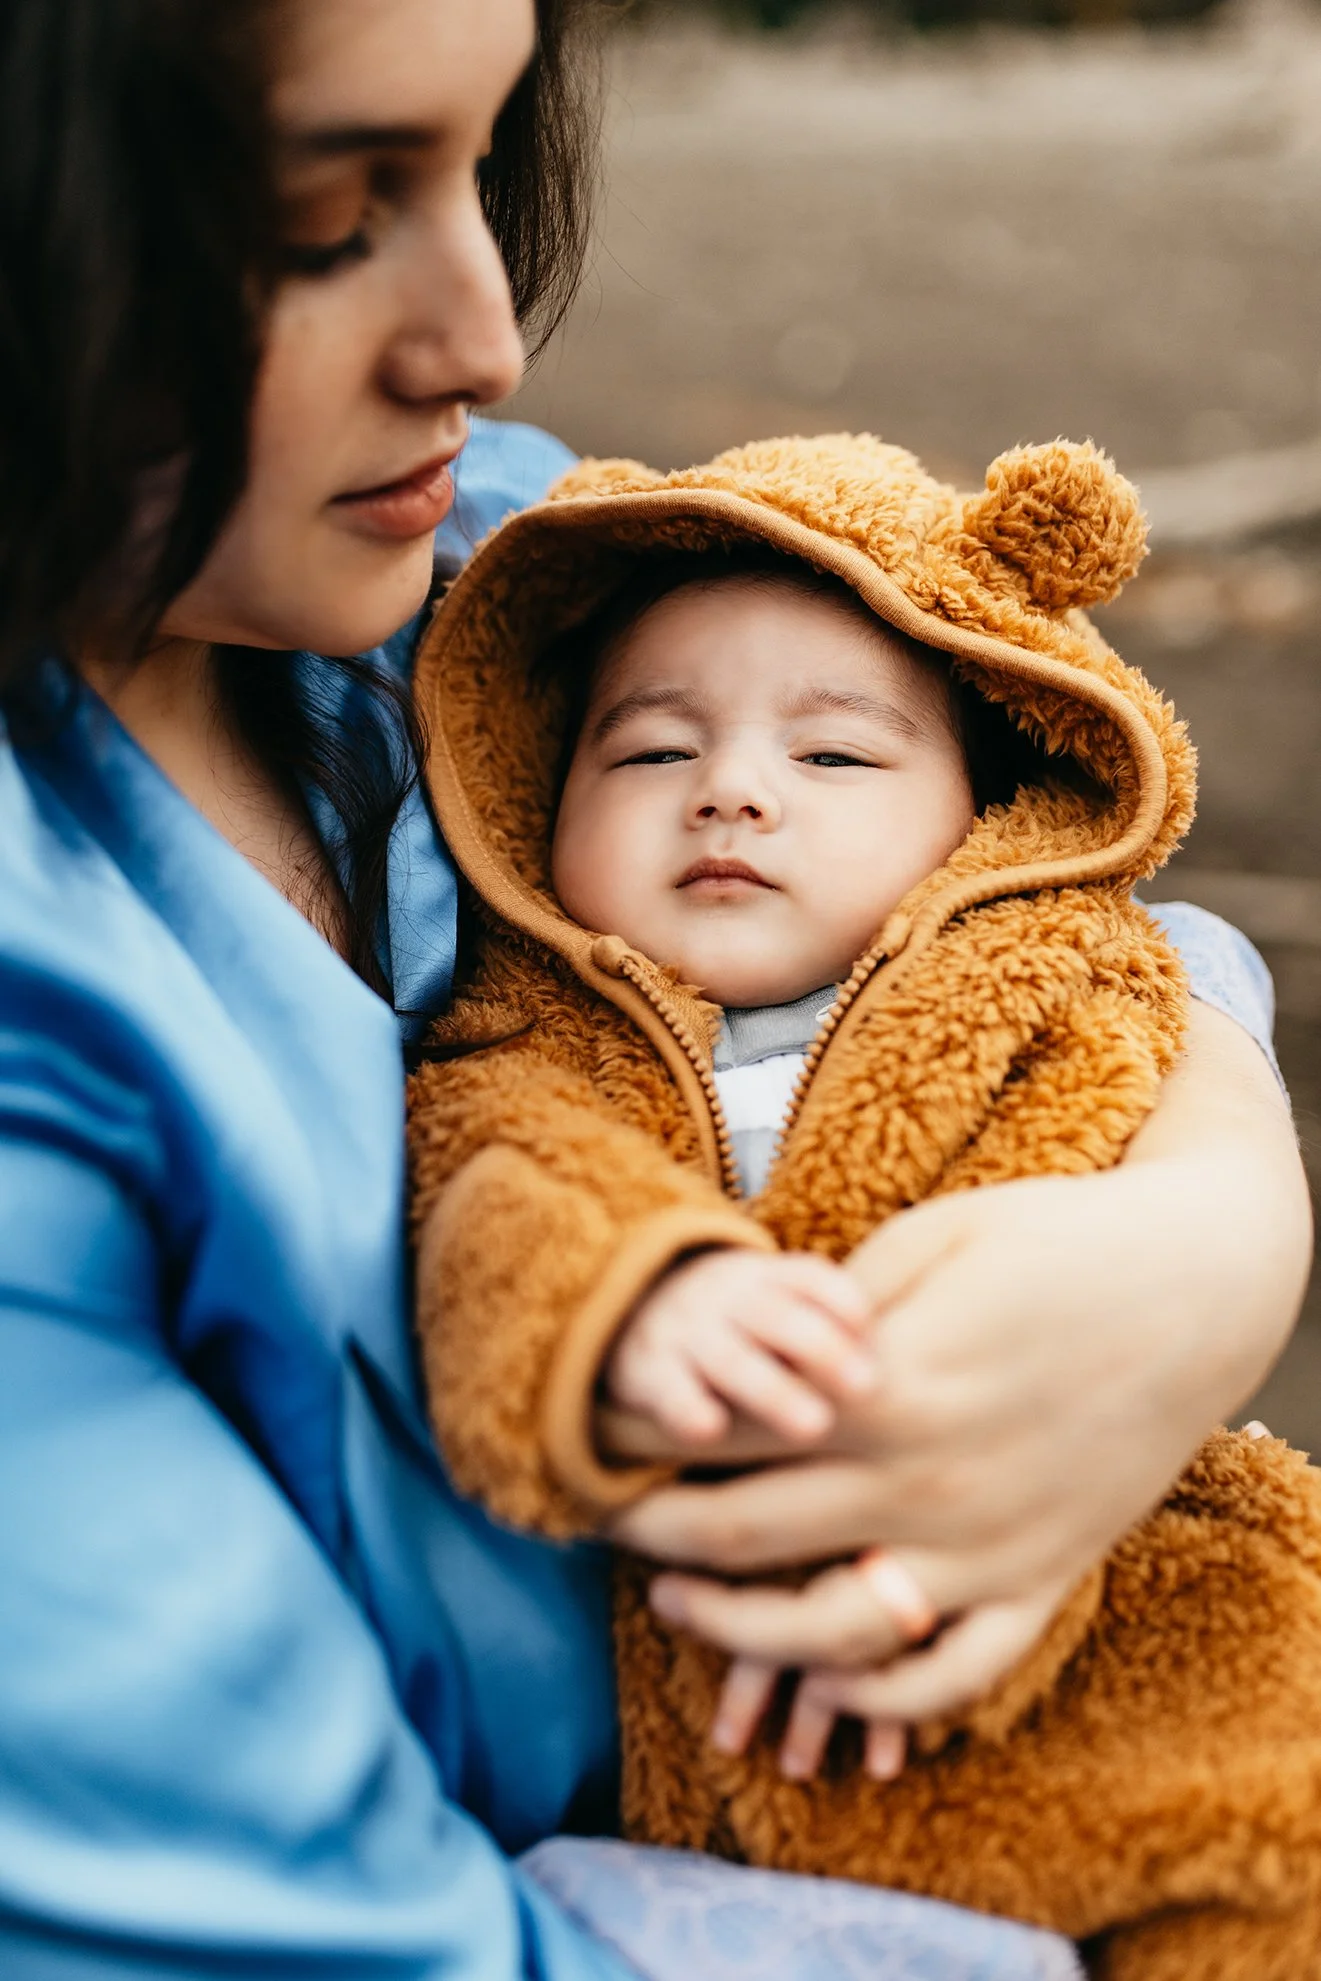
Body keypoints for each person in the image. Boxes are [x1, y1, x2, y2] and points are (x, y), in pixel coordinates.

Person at [0, 0, 1308, 1972]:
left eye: (478, 160)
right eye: (329, 217)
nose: (485, 343)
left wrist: (1204, 1230)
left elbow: (1033, 885)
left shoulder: (487, 564)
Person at [406, 430, 1321, 1973]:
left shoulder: (1055, 980)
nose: (731, 792)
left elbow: (1180, 1062)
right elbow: (491, 1182)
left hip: (1120, 1648)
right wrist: (631, 1300)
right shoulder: (535, 1041)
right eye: (649, 753)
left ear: (984, 815)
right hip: (717, 1739)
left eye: (833, 758)